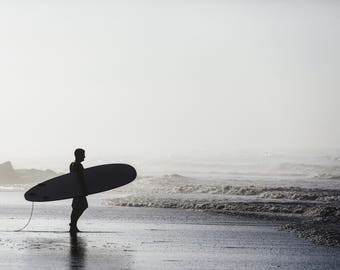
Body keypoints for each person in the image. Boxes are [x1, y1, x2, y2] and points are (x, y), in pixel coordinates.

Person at [69, 148, 88, 233]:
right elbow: (81, 178)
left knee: (76, 207)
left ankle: (73, 225)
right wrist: (84, 189)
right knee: (82, 206)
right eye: (83, 154)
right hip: (79, 190)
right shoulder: (78, 165)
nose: (84, 156)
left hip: (75, 189)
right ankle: (73, 225)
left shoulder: (72, 164)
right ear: (78, 155)